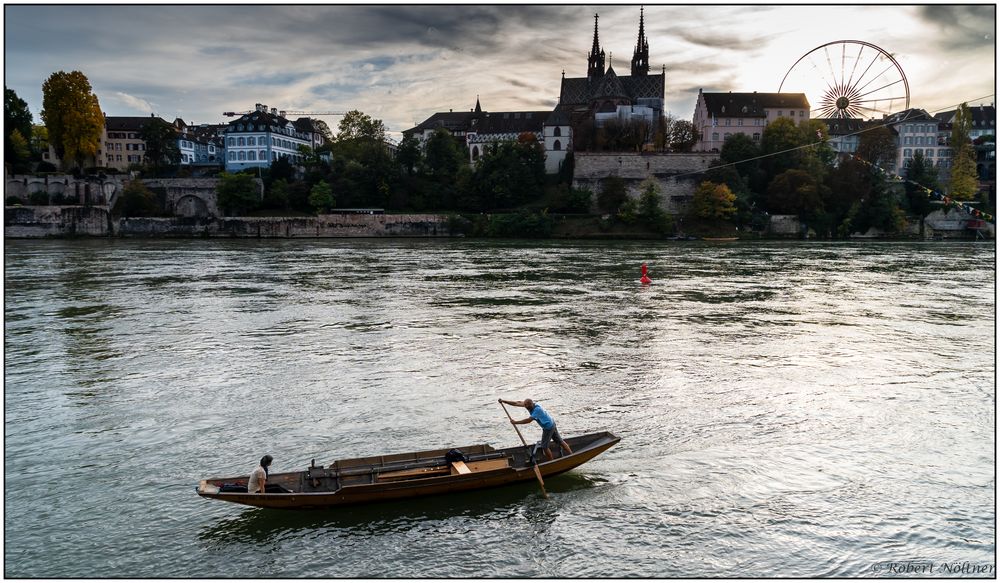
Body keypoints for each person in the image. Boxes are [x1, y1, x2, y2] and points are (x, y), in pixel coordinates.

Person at [499, 398, 572, 461]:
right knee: (560, 441)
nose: (527, 407)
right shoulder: (528, 405)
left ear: (532, 404)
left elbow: (528, 420)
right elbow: (516, 403)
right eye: (526, 406)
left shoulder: (537, 410)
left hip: (548, 427)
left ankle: (551, 461)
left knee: (544, 446)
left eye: (528, 406)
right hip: (552, 423)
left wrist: (516, 422)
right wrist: (504, 401)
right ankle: (571, 455)